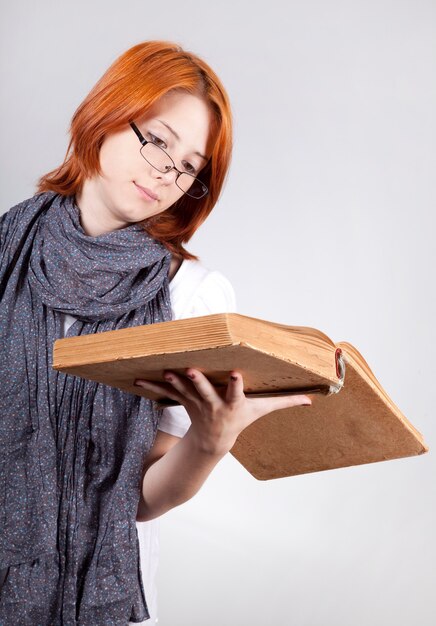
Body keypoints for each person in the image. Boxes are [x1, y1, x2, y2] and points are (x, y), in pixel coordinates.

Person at [0, 41, 311, 625]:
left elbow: (139, 499)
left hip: (102, 599)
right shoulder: (7, 249)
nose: (167, 172)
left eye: (190, 165)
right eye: (159, 141)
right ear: (107, 115)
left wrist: (209, 442)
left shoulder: (191, 296)